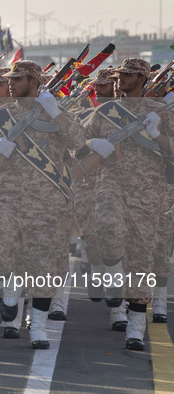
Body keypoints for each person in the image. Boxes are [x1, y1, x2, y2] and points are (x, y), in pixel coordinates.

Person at [0, 60, 85, 349]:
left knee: (43, 269)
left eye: (19, 78)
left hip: (48, 205)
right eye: (10, 78)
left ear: (35, 81)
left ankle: (37, 326)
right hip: (8, 199)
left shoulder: (55, 113)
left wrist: (55, 112)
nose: (11, 83)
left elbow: (78, 140)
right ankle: (11, 289)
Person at [82, 58, 173, 350]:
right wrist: (92, 144)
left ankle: (135, 326)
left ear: (143, 79)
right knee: (106, 226)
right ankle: (111, 276)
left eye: (129, 75)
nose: (121, 79)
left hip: (148, 194)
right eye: (120, 75)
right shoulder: (105, 110)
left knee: (141, 260)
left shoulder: (159, 112)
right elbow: (75, 140)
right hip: (111, 183)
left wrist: (158, 134)